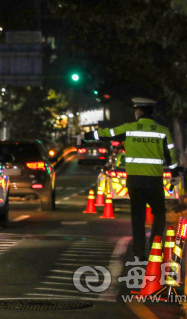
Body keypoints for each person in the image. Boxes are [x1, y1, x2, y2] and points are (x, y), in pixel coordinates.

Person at [77, 98, 178, 259]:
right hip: (154, 180)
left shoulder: (129, 129)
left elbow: (106, 133)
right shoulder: (162, 130)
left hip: (135, 180)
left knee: (137, 216)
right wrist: (175, 174)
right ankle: (155, 248)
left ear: (140, 112)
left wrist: (85, 136)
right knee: (159, 213)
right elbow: (170, 155)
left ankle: (139, 252)